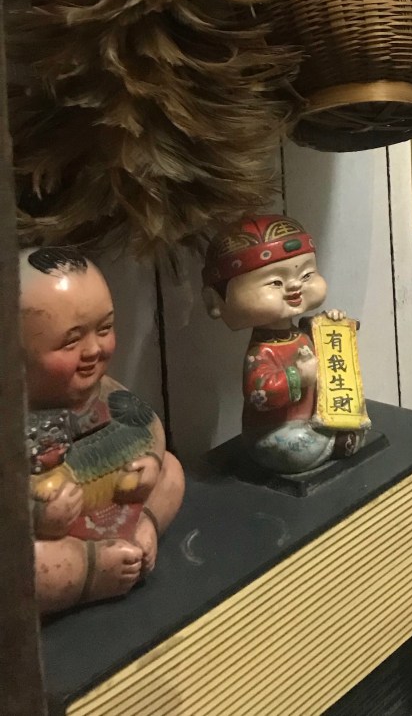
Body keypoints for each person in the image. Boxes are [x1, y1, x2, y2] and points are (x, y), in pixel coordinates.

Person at [20, 247, 185, 612]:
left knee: (172, 470)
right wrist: (38, 513)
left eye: (105, 329)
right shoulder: (12, 423)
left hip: (124, 510)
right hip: (65, 544)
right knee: (26, 563)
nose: (93, 350)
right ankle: (94, 573)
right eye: (71, 341)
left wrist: (150, 463)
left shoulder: (108, 392)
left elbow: (149, 427)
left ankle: (145, 529)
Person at [202, 215, 367, 476]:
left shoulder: (304, 332)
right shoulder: (261, 353)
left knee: (351, 419)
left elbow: (330, 352)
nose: (294, 286)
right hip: (274, 429)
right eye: (274, 282)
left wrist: (332, 325)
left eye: (307, 275)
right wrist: (298, 376)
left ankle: (333, 439)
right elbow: (260, 393)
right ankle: (332, 443)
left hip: (312, 417)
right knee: (294, 447)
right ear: (215, 301)